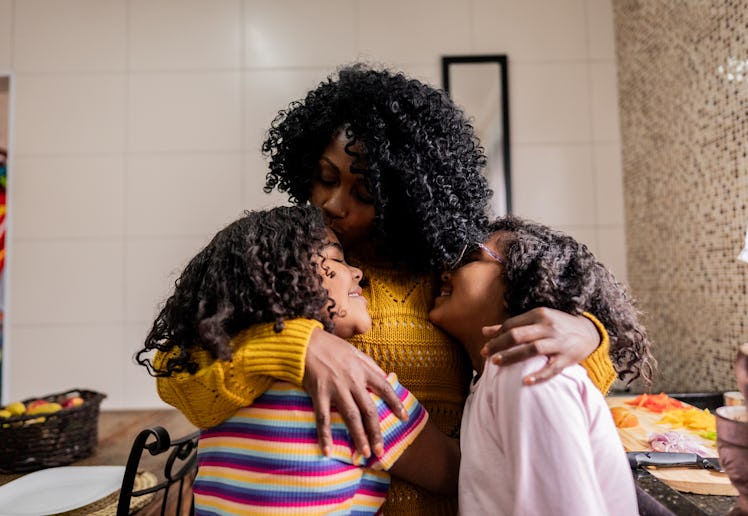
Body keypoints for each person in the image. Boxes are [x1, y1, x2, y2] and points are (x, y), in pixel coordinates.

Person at [153, 63, 617, 515]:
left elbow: (554, 398)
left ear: (410, 197)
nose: (334, 204)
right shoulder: (285, 271)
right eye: (326, 178)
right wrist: (297, 345)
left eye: (366, 194)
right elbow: (179, 381)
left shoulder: (447, 280)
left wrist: (587, 336)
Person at [138, 205, 459, 515]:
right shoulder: (357, 389)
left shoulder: (226, 388)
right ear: (279, 280)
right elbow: (454, 473)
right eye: (337, 259)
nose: (357, 272)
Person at [429, 215, 655, 515]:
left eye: (471, 258)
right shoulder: (495, 376)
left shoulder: (527, 371)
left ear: (520, 281)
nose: (446, 271)